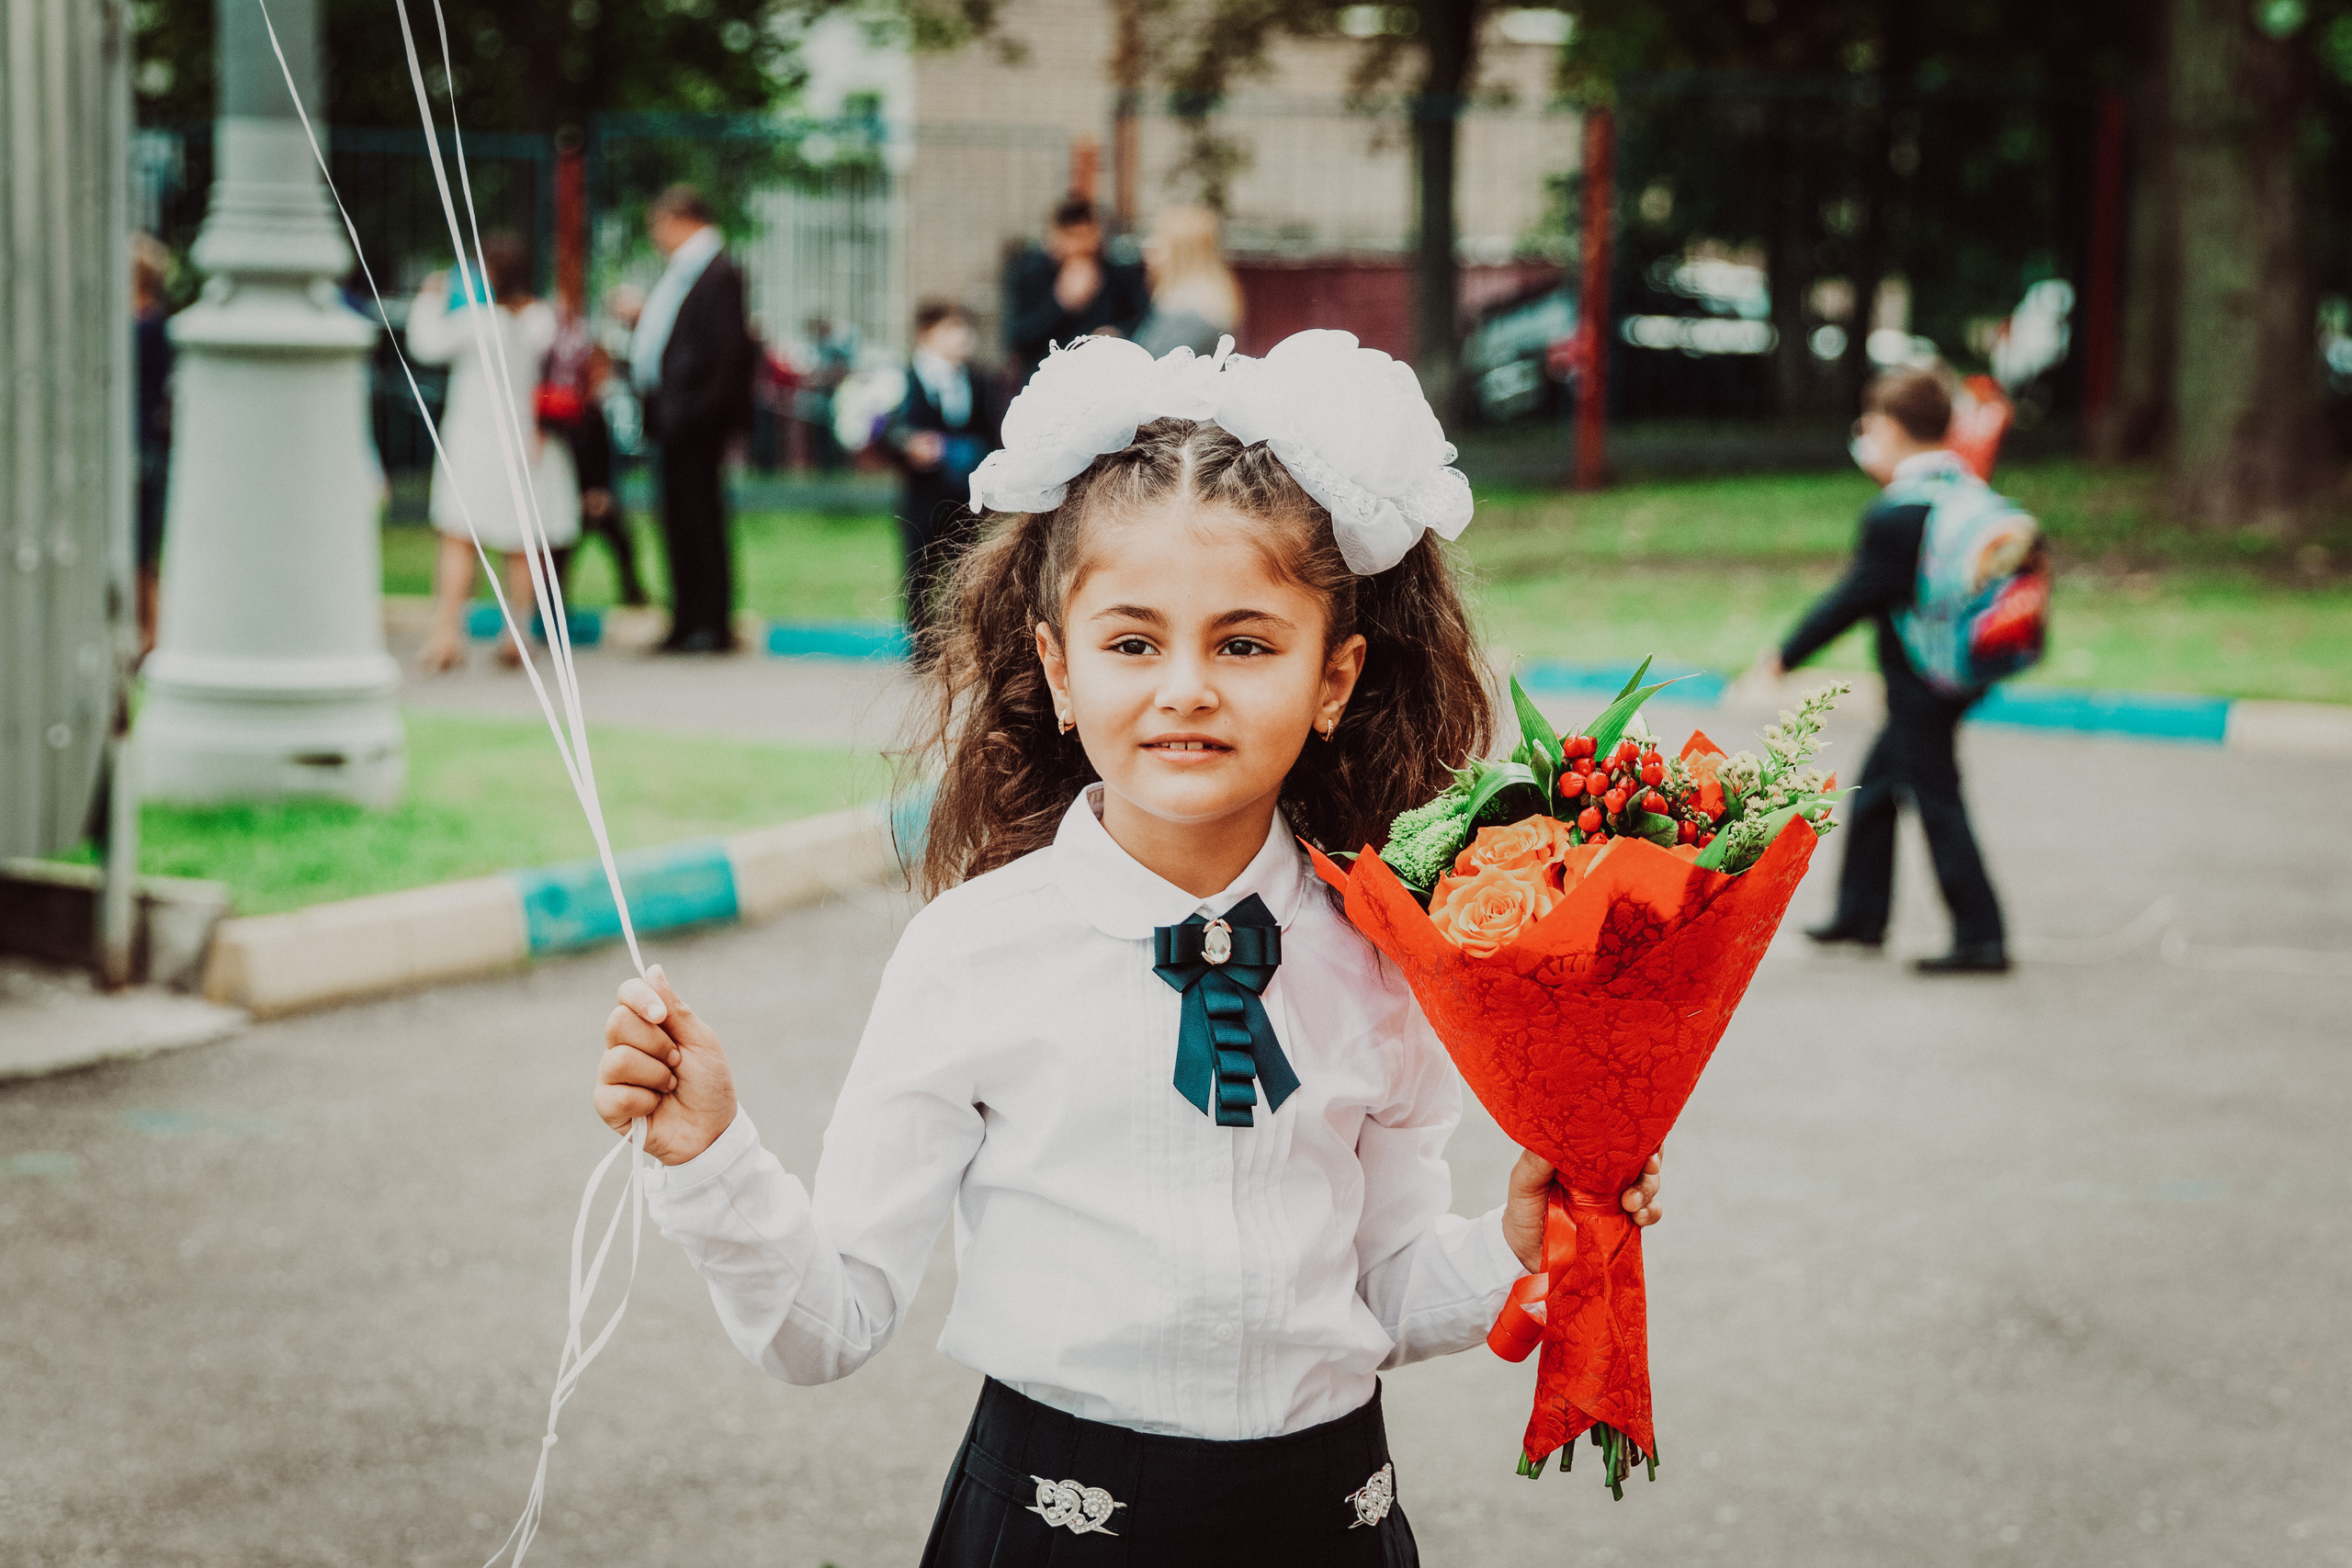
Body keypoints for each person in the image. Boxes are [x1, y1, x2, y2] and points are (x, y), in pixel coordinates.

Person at [594, 333, 1668, 1567]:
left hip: (1333, 1530)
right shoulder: (973, 953)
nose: (1186, 688)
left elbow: (1380, 1291)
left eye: (1246, 643)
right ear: (1058, 669)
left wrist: (1521, 1239)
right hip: (1053, 1532)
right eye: (1133, 642)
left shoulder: (1387, 955)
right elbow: (824, 1324)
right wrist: (711, 1158)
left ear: (1334, 678)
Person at [1758, 367, 2009, 975]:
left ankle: (1981, 935)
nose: (1864, 437)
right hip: (1960, 673)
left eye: (1869, 425)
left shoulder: (1899, 513)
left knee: (1937, 797)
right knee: (1876, 789)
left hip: (1922, 680)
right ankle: (1861, 914)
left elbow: (1855, 597)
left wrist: (1785, 655)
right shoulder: (1962, 491)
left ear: (1893, 428)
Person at [406, 231, 580, 673]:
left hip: (474, 442)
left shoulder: (476, 323)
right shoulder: (544, 320)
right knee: (521, 543)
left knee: (459, 538)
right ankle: (517, 633)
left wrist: (430, 298)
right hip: (528, 442)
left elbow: (425, 344)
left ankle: (446, 634)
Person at [632, 185, 754, 654]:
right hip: (673, 417)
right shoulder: (689, 271)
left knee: (700, 521)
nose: (656, 236)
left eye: (659, 225)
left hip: (694, 422)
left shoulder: (718, 272)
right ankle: (686, 618)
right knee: (678, 521)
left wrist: (695, 412)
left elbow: (726, 354)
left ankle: (709, 623)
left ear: (682, 219)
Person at [884, 301, 1005, 650]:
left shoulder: (979, 380)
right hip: (921, 494)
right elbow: (885, 430)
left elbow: (991, 431)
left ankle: (958, 646)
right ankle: (921, 647)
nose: (962, 337)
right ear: (926, 335)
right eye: (951, 329)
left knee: (963, 571)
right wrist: (908, 444)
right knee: (919, 571)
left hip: (964, 494)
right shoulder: (904, 380)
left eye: (964, 329)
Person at [1003, 196, 1149, 387]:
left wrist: (1116, 333)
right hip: (1050, 380)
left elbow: (1142, 320)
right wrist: (1060, 303)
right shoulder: (1031, 274)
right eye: (1072, 236)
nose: (1080, 245)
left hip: (1105, 379)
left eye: (1086, 235)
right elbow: (1018, 338)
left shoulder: (1119, 274)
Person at [131, 233, 176, 660]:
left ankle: (152, 632)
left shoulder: (145, 329)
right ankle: (149, 630)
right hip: (147, 443)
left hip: (141, 445)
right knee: (140, 548)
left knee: (139, 549)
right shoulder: (156, 327)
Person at [1134, 204, 1243, 359]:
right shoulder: (1208, 301)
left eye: (1158, 242)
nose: (1147, 250)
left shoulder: (1186, 314)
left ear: (1182, 254)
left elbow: (1152, 364)